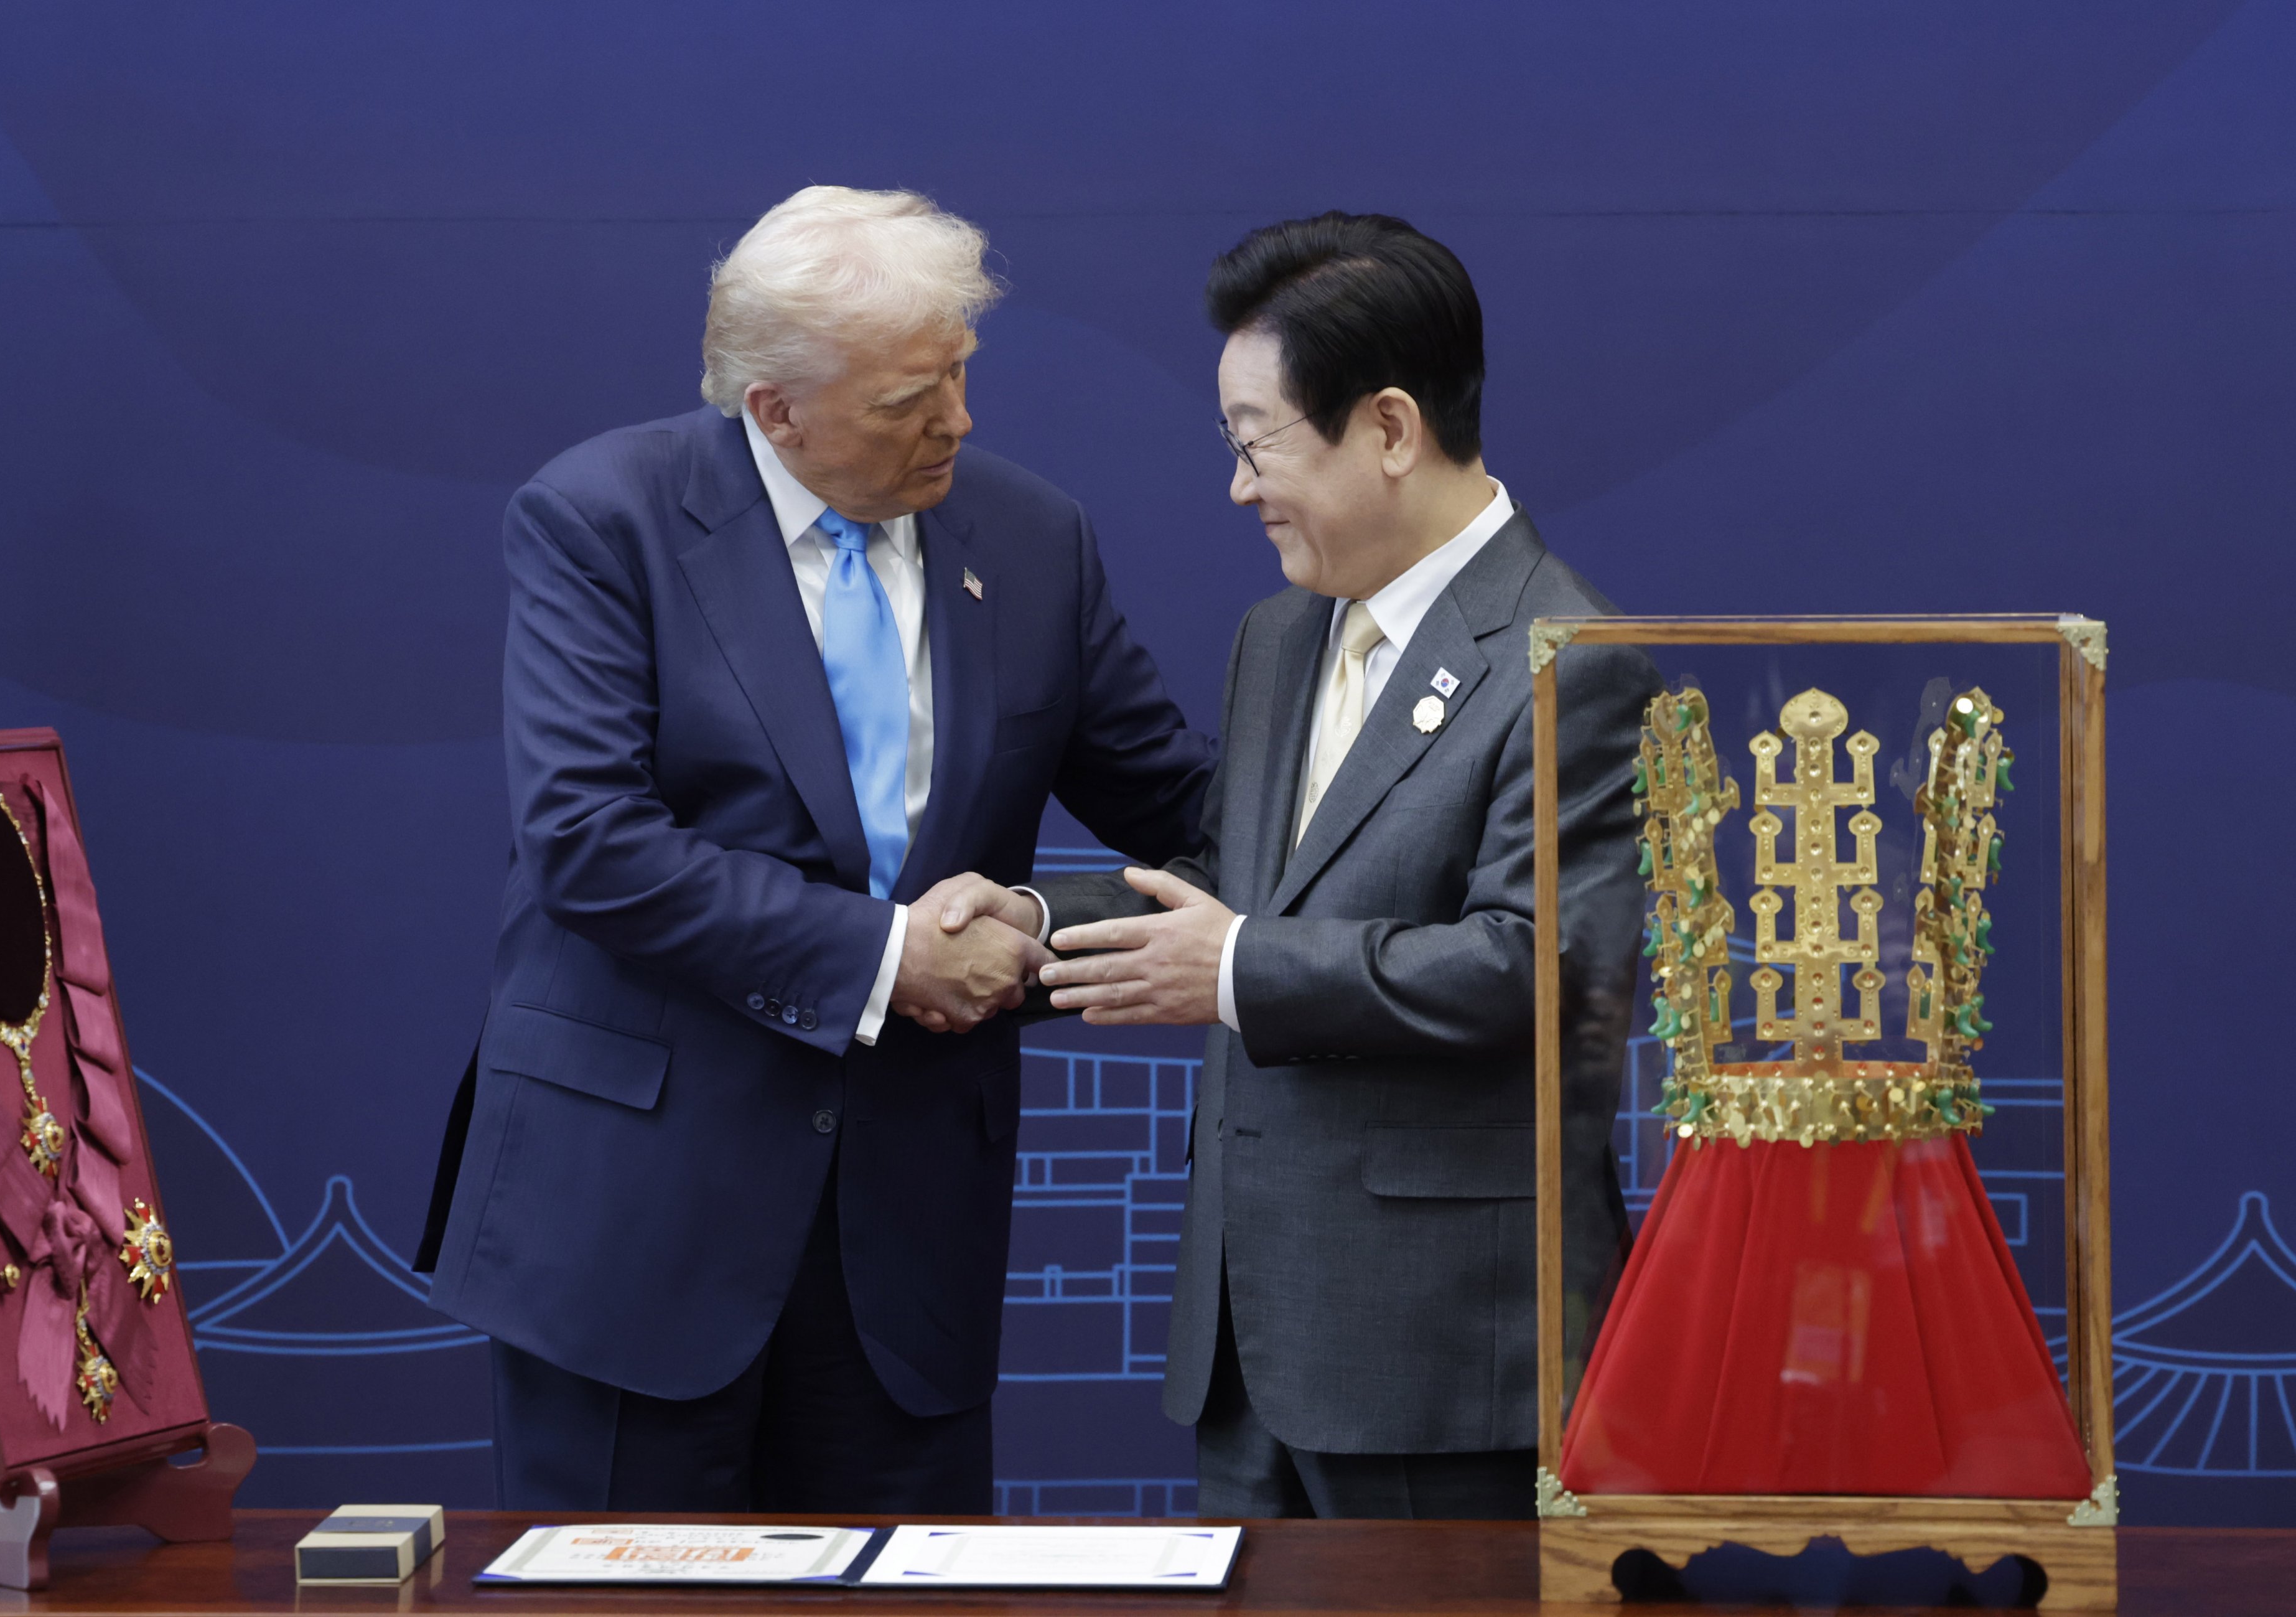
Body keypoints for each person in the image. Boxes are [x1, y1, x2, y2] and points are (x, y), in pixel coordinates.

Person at [415, 186, 1215, 1514]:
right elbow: (588, 840)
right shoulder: (601, 517)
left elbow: (1186, 812)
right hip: (634, 1230)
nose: (956, 421)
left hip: (901, 1249)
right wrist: (888, 954)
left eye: (960, 374)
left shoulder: (1028, 538)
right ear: (771, 408)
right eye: (910, 399)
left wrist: (1028, 912)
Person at [935, 213, 1658, 1519]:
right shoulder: (1281, 636)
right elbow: (1238, 883)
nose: (1237, 485)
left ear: (1387, 428)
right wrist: (1035, 923)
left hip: (1443, 1358)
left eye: (1256, 442)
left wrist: (1240, 969)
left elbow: (1537, 965)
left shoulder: (1570, 658)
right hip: (1249, 1347)